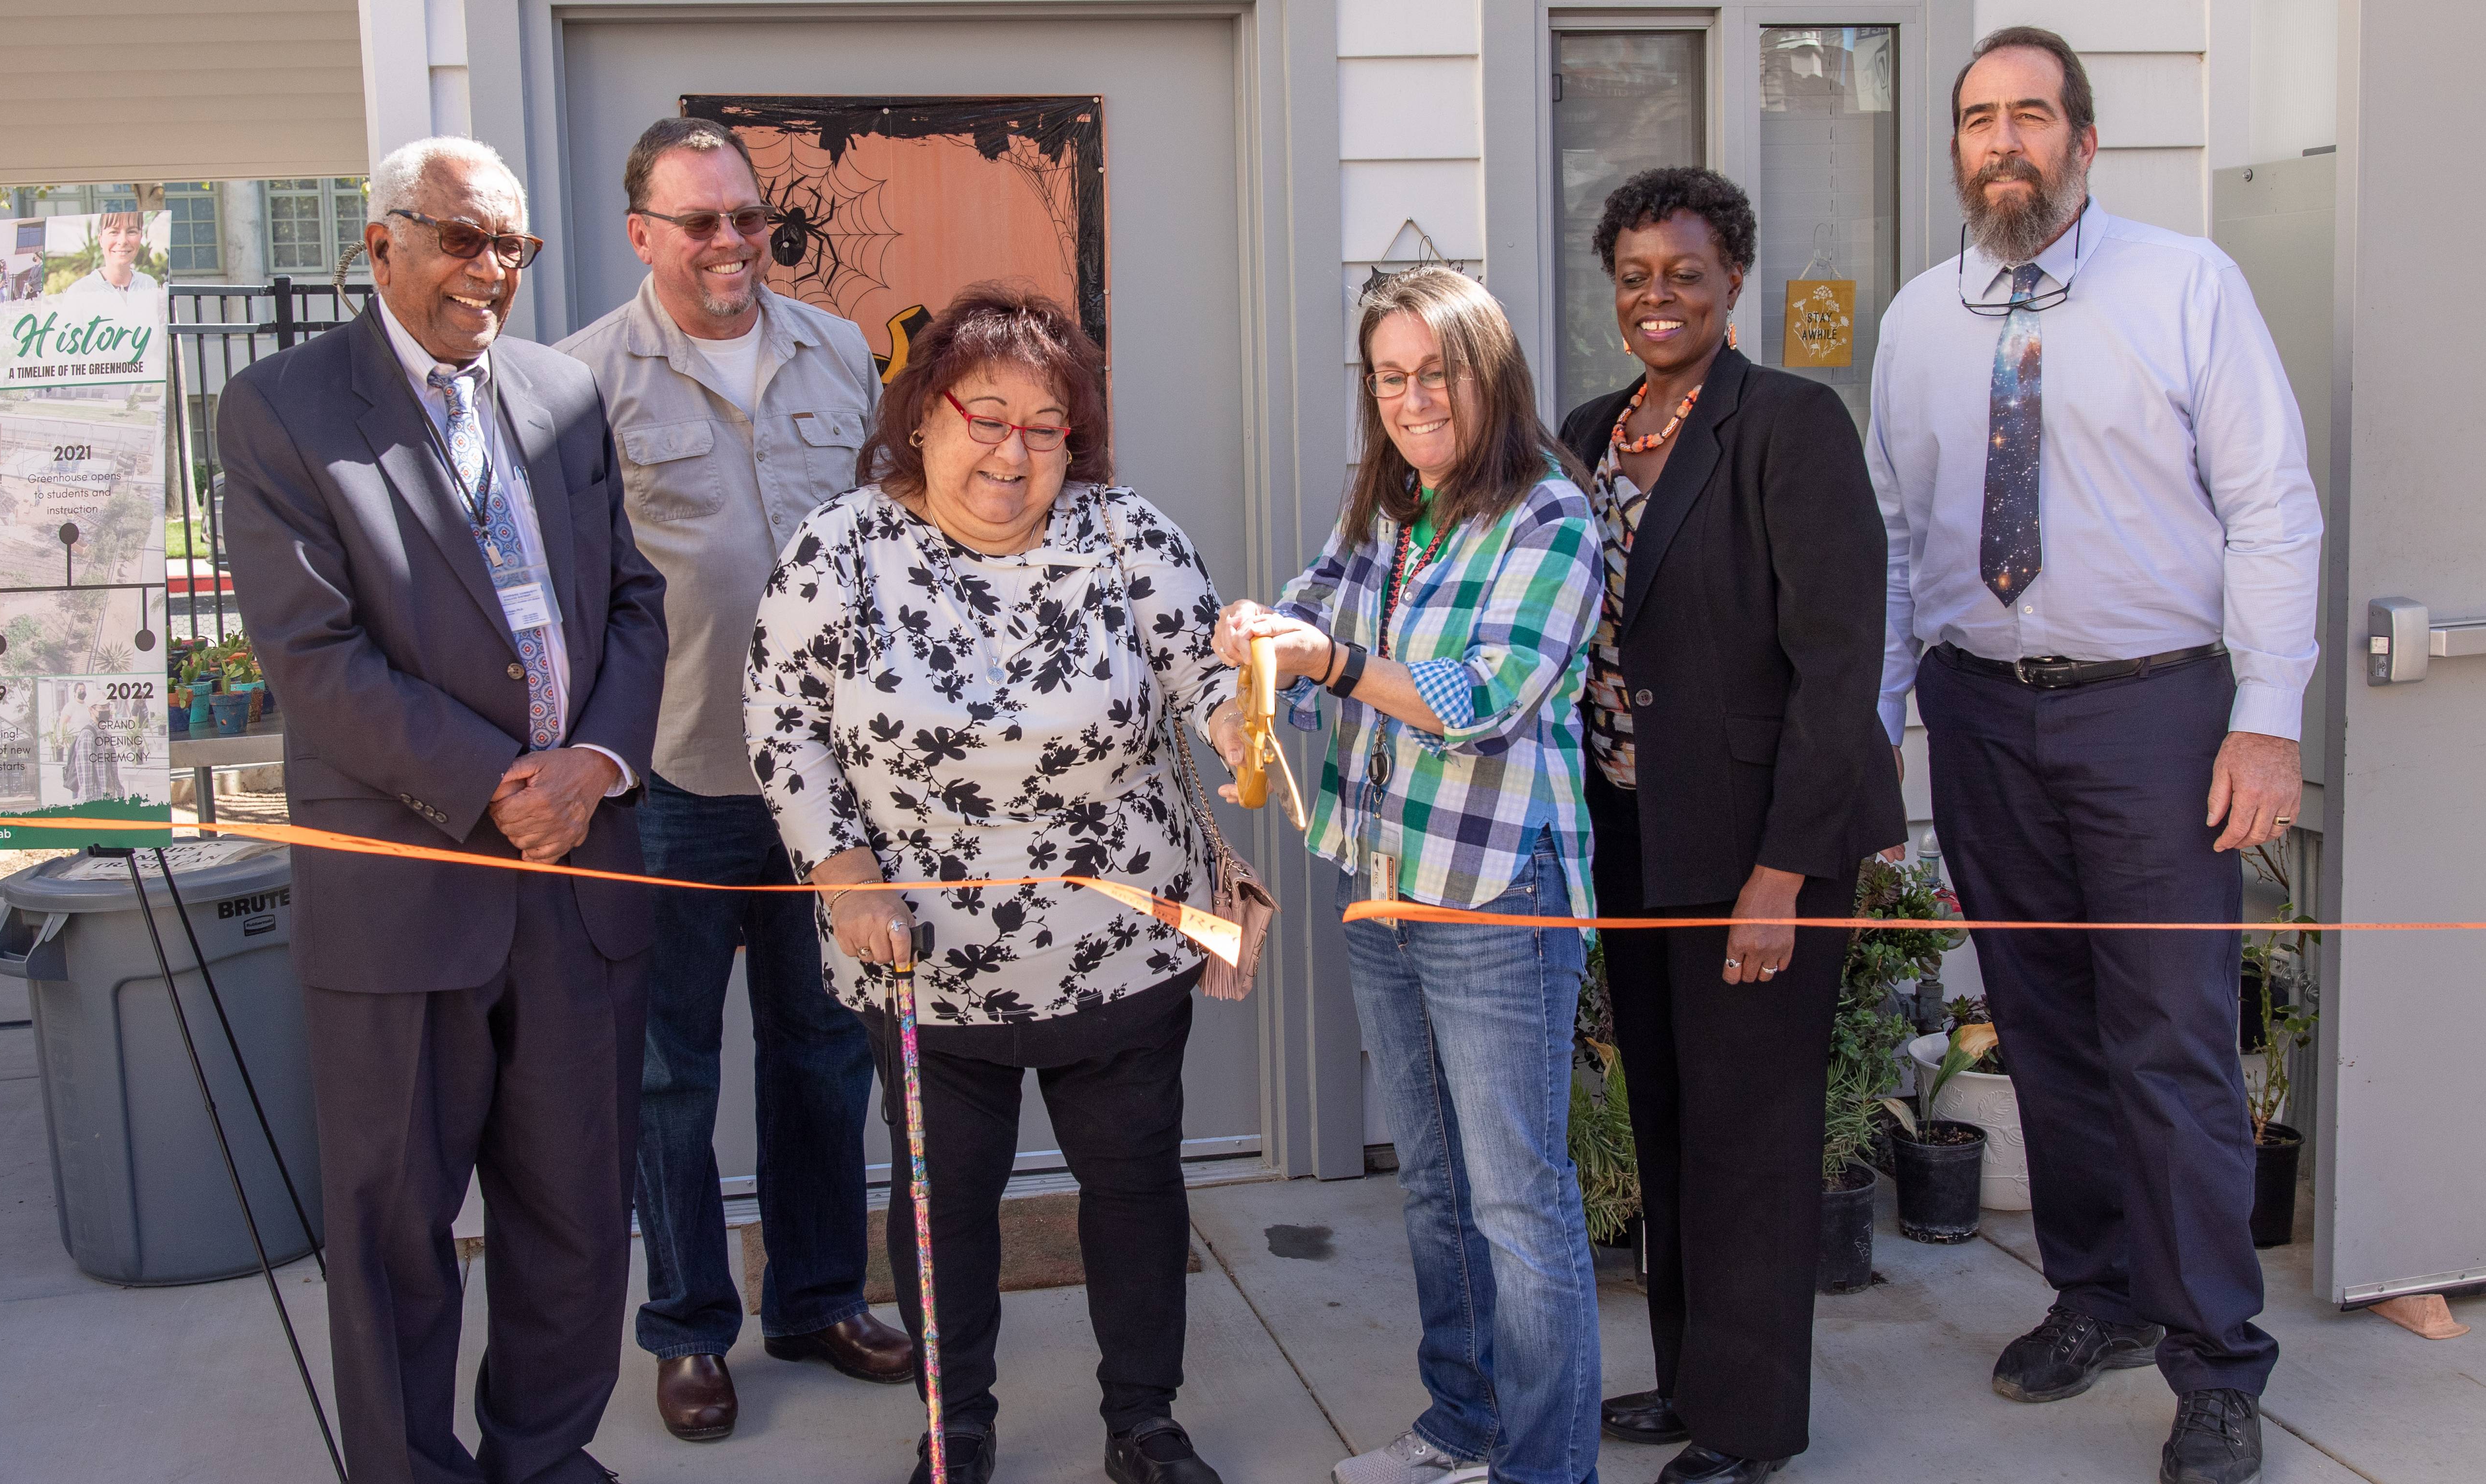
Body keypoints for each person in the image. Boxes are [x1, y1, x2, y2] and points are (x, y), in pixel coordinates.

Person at [1870, 29, 2320, 1484]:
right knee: (2042, 1024)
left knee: (2170, 1043)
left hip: (2154, 717)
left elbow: (2268, 506)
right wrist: (1882, 727)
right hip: (1981, 709)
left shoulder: (2185, 285)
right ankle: (2100, 1292)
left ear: (2079, 139)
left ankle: (2213, 1362)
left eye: (2029, 116)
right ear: (1954, 148)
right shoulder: (1915, 320)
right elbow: (1892, 541)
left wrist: (2264, 715)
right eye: (1976, 119)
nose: (2001, 140)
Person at [219, 134, 668, 1484]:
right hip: (406, 893)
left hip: (580, 878)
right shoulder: (284, 407)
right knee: (396, 1231)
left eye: (513, 249)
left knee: (577, 1218)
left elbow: (634, 604)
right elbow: (312, 656)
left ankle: (545, 1457)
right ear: (382, 245)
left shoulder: (563, 395)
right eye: (464, 240)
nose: (492, 271)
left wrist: (595, 763)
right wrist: (494, 785)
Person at [746, 283, 1238, 1484]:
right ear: (923, 416)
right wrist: (841, 865)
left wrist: (1251, 725)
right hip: (916, 955)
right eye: (987, 416)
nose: (1014, 452)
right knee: (940, 1201)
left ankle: (1143, 1420)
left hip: (1119, 940)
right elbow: (780, 716)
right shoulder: (843, 545)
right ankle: (954, 1425)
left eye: (1046, 424)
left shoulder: (1127, 533)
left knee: (1131, 1184)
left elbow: (1208, 683)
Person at [556, 115, 912, 1442]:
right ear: (641, 230)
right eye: (697, 221)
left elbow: (888, 545)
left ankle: (817, 1300)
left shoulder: (836, 353)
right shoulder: (579, 383)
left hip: (835, 786)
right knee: (668, 1076)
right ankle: (690, 1329)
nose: (728, 243)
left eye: (747, 218)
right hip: (675, 779)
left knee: (824, 1053)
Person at [1219, 265, 1604, 1484]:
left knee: (1518, 1206)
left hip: (1496, 894)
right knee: (1435, 1187)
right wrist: (1255, 658)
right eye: (1389, 376)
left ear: (1488, 373)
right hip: (1380, 884)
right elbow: (1301, 613)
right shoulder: (1387, 514)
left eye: (1434, 371)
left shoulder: (1550, 518)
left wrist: (1327, 662)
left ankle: (1548, 1467)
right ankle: (1463, 1427)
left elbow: (1478, 702)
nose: (1411, 397)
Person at [1561, 167, 1902, 1484]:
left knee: (1750, 1133)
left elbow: (1838, 664)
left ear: (1732, 284)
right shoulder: (1592, 430)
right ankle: (1690, 1380)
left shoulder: (1788, 423)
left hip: (1763, 843)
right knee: (1665, 1117)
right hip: (1635, 835)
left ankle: (1750, 1425)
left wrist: (1782, 877)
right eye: (1635, 275)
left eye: (1684, 273)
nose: (1658, 295)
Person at [64, 211, 162, 320]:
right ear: (101, 239)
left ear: (141, 237)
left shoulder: (149, 285)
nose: (123, 241)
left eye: (132, 232)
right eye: (114, 232)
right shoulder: (79, 292)